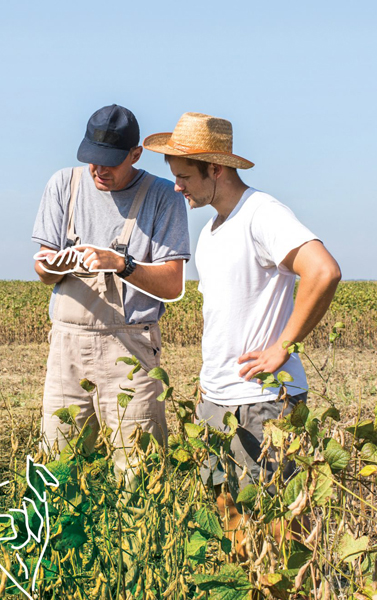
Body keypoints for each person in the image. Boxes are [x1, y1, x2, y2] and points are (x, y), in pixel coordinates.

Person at [143, 112, 341, 515]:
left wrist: (283, 347)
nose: (176, 186)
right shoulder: (211, 231)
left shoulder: (261, 213)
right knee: (227, 518)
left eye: (184, 176)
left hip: (261, 400)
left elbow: (324, 271)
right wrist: (207, 385)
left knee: (275, 527)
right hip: (216, 400)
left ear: (215, 168)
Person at [32, 104, 190, 477]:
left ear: (135, 155)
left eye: (110, 162)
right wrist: (55, 266)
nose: (99, 170)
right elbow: (40, 267)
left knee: (140, 473)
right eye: (92, 160)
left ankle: (139, 536)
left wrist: (120, 264)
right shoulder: (63, 184)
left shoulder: (164, 196)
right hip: (66, 347)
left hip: (130, 348)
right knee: (58, 464)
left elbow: (172, 283)